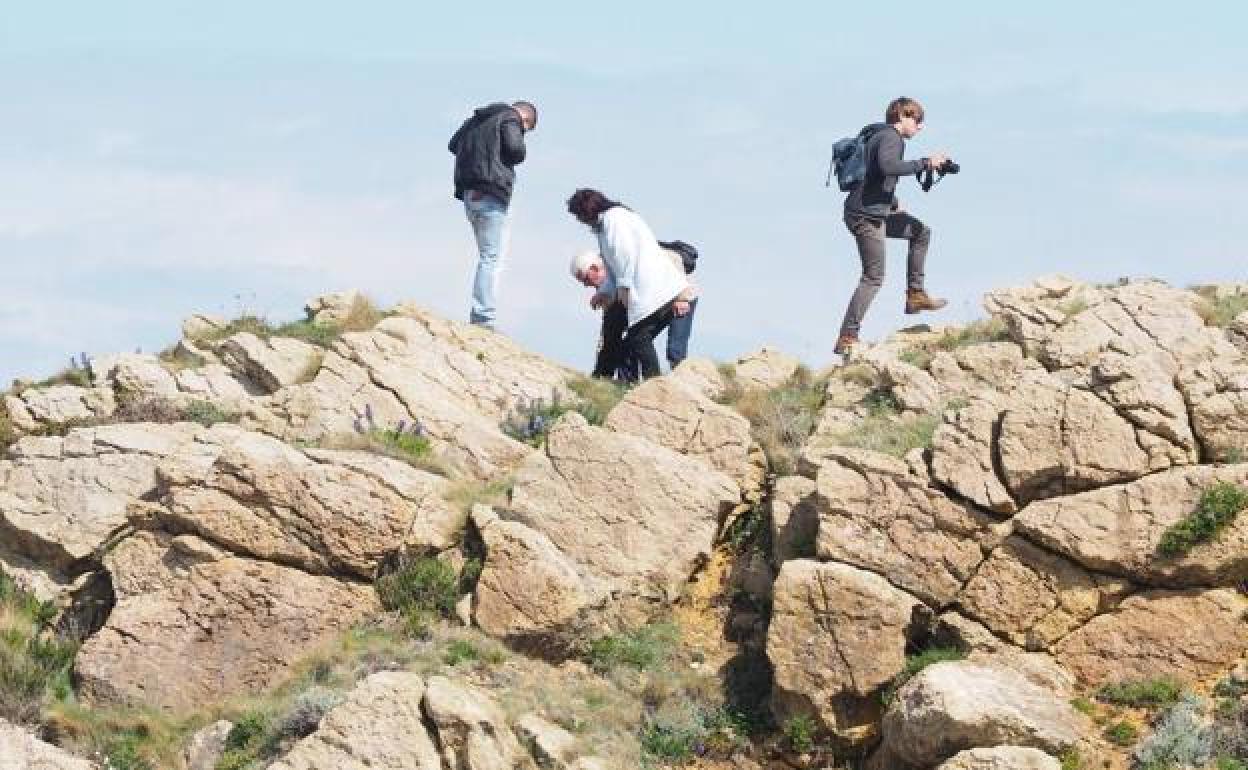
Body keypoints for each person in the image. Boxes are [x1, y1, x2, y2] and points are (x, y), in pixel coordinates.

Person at [834, 96, 948, 355]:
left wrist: (893, 202)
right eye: (917, 120)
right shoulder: (890, 138)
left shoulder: (881, 137)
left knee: (920, 232)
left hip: (875, 211)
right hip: (866, 217)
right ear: (902, 117)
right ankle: (847, 336)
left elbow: (875, 176)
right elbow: (888, 166)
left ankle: (916, 294)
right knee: (873, 277)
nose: (920, 126)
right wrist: (926, 163)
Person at [566, 188, 690, 380]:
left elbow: (624, 254)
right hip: (639, 284)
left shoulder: (615, 220)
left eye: (579, 215)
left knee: (639, 338)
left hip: (650, 286)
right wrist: (605, 292)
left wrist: (624, 287)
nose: (580, 220)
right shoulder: (604, 226)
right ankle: (602, 376)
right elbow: (611, 265)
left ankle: (654, 384)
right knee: (615, 325)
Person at [448, 100, 538, 329]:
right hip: (490, 192)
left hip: (470, 194)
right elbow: (516, 151)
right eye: (526, 130)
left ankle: (482, 313)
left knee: (487, 257)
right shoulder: (510, 117)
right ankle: (483, 316)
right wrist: (519, 138)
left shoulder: (475, 120)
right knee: (492, 258)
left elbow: (453, 144)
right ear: (525, 120)